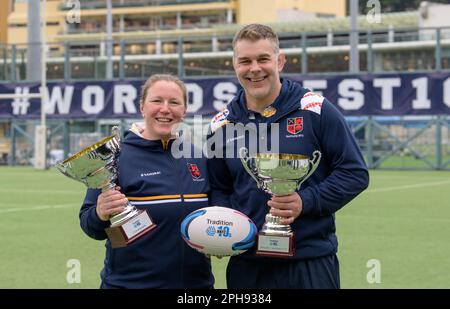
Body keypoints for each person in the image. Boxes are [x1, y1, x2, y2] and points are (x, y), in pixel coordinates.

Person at [206, 24, 369, 289]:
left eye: (263, 59)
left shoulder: (316, 109)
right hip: (248, 265)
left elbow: (354, 173)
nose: (254, 68)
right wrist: (225, 226)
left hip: (309, 262)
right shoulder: (220, 125)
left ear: (279, 61)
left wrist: (306, 201)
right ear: (234, 65)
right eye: (245, 61)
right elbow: (218, 187)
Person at [80, 74, 214, 288]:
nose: (165, 109)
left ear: (184, 111)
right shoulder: (114, 157)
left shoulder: (199, 157)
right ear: (142, 107)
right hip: (129, 285)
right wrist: (99, 213)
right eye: (157, 100)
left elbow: (216, 213)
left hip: (195, 287)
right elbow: (89, 225)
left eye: (174, 102)